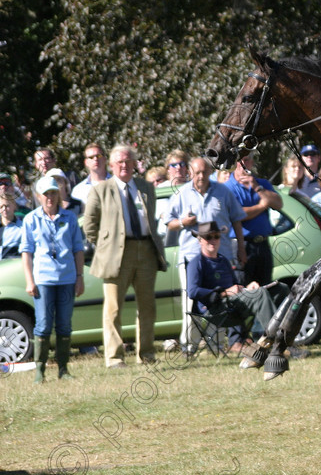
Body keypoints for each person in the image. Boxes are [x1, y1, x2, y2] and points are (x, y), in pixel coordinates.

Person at [83, 144, 168, 368]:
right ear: (111, 165)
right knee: (113, 308)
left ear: (134, 165)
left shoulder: (146, 188)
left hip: (146, 252)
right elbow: (89, 225)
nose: (124, 165)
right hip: (115, 255)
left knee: (148, 306)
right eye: (119, 161)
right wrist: (105, 245)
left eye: (128, 161)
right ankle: (114, 357)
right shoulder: (100, 190)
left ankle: (147, 355)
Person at [167, 157, 246, 353]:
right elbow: (169, 222)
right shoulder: (182, 194)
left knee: (219, 300)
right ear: (190, 172)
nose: (201, 176)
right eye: (197, 172)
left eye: (205, 172)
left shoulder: (223, 192)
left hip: (221, 257)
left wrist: (241, 248)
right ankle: (189, 346)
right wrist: (184, 222)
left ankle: (216, 346)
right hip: (192, 258)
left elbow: (237, 220)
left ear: (210, 172)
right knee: (192, 301)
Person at [186, 221, 288, 366]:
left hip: (235, 304)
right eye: (209, 237)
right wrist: (223, 293)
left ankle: (271, 339)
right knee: (259, 295)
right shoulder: (197, 263)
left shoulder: (223, 261)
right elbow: (193, 291)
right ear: (200, 240)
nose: (213, 241)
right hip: (216, 310)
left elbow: (235, 287)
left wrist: (247, 287)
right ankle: (278, 346)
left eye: (216, 236)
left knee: (280, 289)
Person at [20, 177, 85, 382]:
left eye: (54, 193)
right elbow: (27, 252)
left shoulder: (70, 218)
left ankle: (63, 369)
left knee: (64, 325)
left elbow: (78, 249)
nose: (50, 197)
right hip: (43, 280)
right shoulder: (31, 219)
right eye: (46, 194)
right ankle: (40, 369)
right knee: (44, 324)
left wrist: (80, 277)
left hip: (67, 278)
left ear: (59, 194)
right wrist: (30, 280)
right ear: (39, 197)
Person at [224, 154, 283, 347]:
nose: (244, 164)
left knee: (265, 289)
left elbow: (278, 203)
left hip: (262, 244)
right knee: (241, 290)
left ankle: (262, 334)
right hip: (240, 244)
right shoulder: (228, 188)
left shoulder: (262, 183)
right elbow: (238, 215)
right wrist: (261, 205)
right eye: (240, 160)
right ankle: (237, 339)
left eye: (247, 160)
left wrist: (257, 187)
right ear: (234, 163)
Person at [70, 143, 111, 210]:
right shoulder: (78, 191)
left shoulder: (118, 183)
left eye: (99, 156)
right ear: (86, 162)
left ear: (105, 159)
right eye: (91, 157)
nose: (95, 159)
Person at [0, 194, 23, 259]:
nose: (4, 209)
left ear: (14, 206)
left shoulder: (22, 227)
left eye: (7, 206)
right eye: (1, 207)